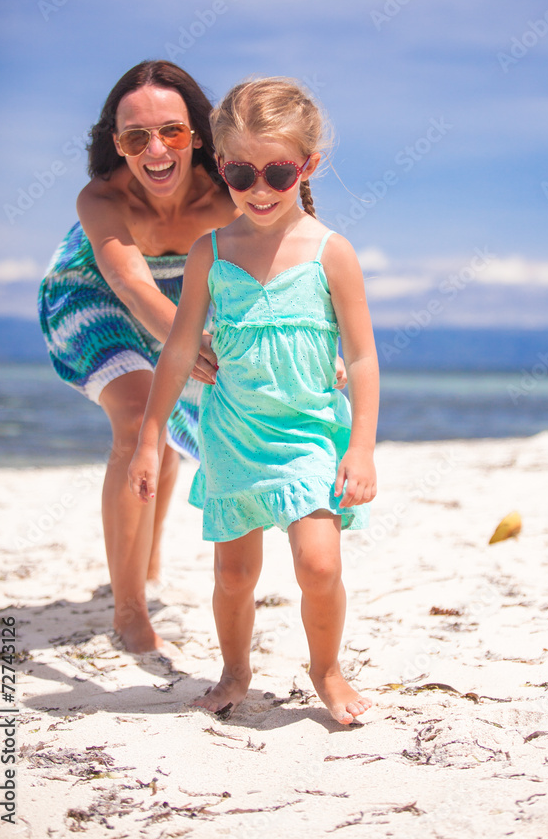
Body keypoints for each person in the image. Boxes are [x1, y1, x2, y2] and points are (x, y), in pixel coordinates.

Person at [128, 77, 379, 725]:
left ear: (307, 166)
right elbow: (179, 351)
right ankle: (234, 670)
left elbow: (360, 358)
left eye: (277, 171)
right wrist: (150, 436)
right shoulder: (210, 252)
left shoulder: (331, 253)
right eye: (241, 172)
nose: (259, 188)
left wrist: (361, 449)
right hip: (232, 436)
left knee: (319, 565)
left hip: (307, 435)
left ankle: (325, 668)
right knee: (234, 577)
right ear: (220, 167)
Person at [38, 61, 238, 655]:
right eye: (135, 137)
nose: (156, 149)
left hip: (180, 294)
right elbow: (130, 287)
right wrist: (184, 343)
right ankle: (128, 611)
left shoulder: (228, 192)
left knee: (168, 433)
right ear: (116, 144)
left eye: (171, 132)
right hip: (91, 292)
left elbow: (287, 259)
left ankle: (145, 563)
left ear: (198, 133)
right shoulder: (101, 199)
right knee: (136, 418)